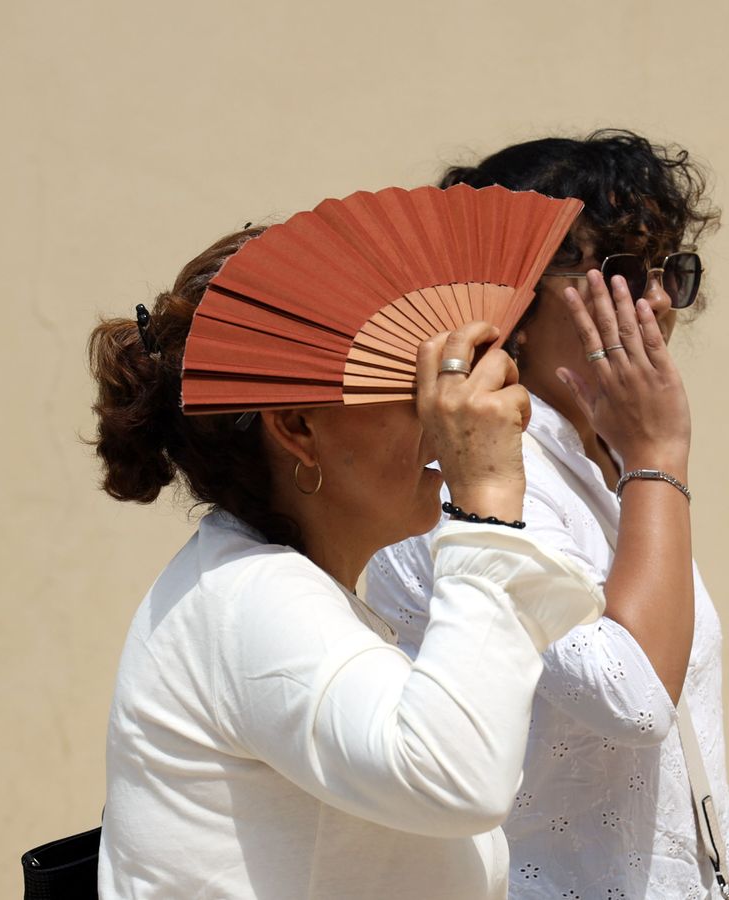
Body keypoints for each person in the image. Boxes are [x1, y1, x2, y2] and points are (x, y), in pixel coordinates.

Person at [90, 224, 606, 899]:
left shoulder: (273, 586)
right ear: (298, 426)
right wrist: (485, 504)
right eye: (408, 378)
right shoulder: (253, 597)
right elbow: (455, 778)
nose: (440, 409)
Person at [367, 130, 729, 899]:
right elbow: (633, 695)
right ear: (512, 303)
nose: (661, 303)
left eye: (670, 269)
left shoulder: (598, 463)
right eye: (624, 273)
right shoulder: (465, 481)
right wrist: (659, 457)